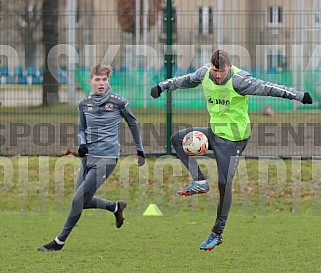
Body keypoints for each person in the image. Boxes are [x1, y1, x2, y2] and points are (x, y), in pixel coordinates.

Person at [150, 49, 313, 251]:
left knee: (224, 183)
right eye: (215, 70)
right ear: (211, 66)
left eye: (222, 71)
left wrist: (298, 96)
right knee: (177, 139)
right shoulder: (204, 74)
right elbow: (185, 80)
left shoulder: (240, 81)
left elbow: (269, 88)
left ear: (230, 67)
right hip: (214, 132)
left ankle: (217, 233)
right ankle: (199, 180)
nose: (218, 75)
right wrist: (162, 86)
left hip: (234, 139)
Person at [38, 64, 145, 252]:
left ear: (108, 80)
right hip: (87, 158)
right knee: (82, 200)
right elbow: (81, 129)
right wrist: (81, 143)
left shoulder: (120, 102)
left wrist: (140, 149)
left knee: (77, 200)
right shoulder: (84, 103)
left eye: (104, 79)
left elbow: (133, 124)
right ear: (90, 81)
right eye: (97, 79)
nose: (101, 83)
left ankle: (59, 241)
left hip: (107, 158)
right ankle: (115, 207)